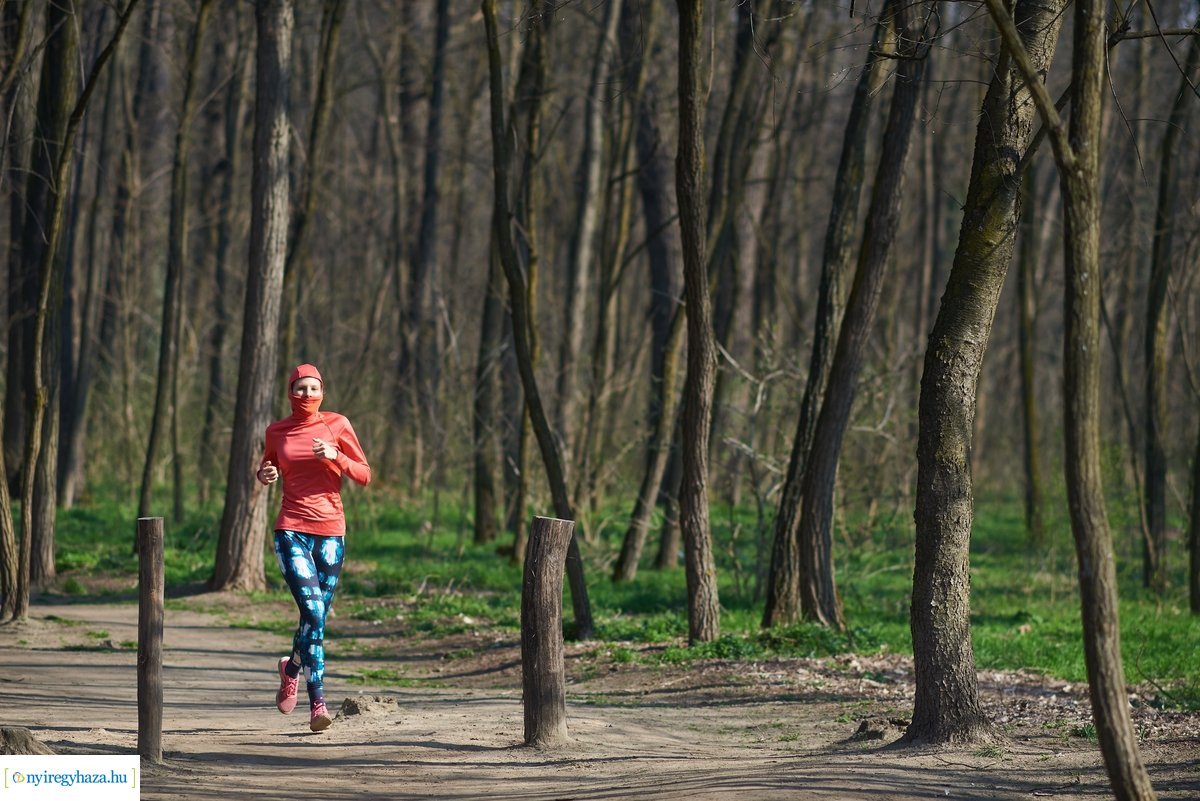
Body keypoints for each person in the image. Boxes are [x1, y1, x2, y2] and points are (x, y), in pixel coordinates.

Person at [257, 363, 371, 732]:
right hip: (290, 529)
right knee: (314, 613)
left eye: (313, 388)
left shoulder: (337, 425)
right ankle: (317, 702)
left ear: (322, 392)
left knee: (314, 617)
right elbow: (268, 467)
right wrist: (265, 474)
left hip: (332, 533)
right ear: (290, 391)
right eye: (300, 388)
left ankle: (290, 667)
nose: (306, 394)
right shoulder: (276, 431)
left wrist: (335, 456)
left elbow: (365, 474)